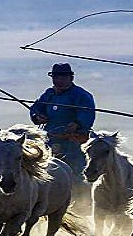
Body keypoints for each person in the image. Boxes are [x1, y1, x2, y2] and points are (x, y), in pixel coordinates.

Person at [30, 63, 96, 201]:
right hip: (50, 141)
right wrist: (37, 116)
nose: (58, 80)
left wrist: (77, 124)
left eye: (62, 77)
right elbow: (36, 108)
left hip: (73, 143)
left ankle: (80, 201)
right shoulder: (49, 94)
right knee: (45, 171)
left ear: (71, 78)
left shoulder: (81, 95)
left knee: (76, 172)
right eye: (55, 77)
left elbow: (87, 114)